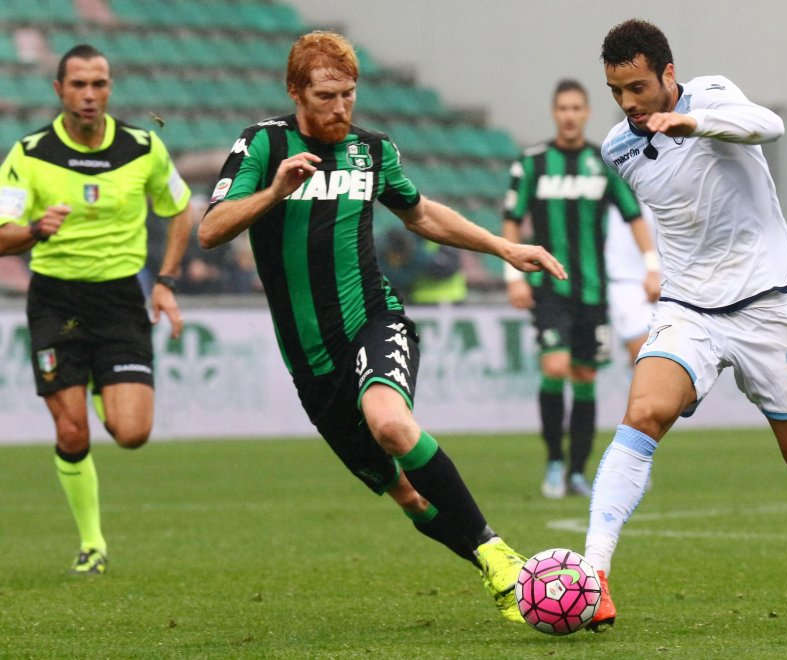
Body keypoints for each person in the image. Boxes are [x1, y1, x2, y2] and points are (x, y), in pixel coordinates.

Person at [197, 31, 566, 623]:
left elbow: (419, 212)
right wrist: (274, 191)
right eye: (325, 96)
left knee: (392, 424)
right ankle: (497, 570)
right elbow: (212, 230)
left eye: (348, 94)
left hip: (374, 320)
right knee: (411, 497)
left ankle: (500, 555)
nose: (340, 108)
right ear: (295, 92)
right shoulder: (263, 146)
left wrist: (503, 247)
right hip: (312, 365)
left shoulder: (373, 151)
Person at [583, 20, 787, 631]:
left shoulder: (713, 96)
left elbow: (768, 125)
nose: (630, 103)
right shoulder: (618, 147)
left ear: (669, 74)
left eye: (639, 86)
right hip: (688, 310)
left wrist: (693, 124)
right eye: (617, 91)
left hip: (767, 310)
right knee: (642, 414)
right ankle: (594, 576)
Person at [0, 44, 192, 575]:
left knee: (132, 434)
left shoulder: (143, 148)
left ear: (110, 88)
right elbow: (1, 235)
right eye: (79, 84)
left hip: (119, 300)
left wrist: (167, 282)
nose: (90, 94)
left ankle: (94, 383)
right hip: (56, 300)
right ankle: (92, 543)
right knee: (72, 434)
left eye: (99, 84)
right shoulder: (29, 154)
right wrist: (37, 229)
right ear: (58, 90)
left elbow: (179, 211)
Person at [503, 79, 660, 499]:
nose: (570, 115)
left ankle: (576, 471)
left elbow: (634, 216)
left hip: (593, 291)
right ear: (555, 113)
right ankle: (554, 460)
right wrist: (513, 276)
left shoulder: (602, 162)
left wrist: (651, 266)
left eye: (577, 108)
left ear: (586, 113)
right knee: (555, 368)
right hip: (548, 287)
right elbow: (512, 218)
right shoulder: (533, 162)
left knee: (585, 375)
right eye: (563, 108)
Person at [606, 204, 659, 364]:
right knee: (645, 352)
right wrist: (652, 269)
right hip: (627, 279)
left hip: (676, 278)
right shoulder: (616, 180)